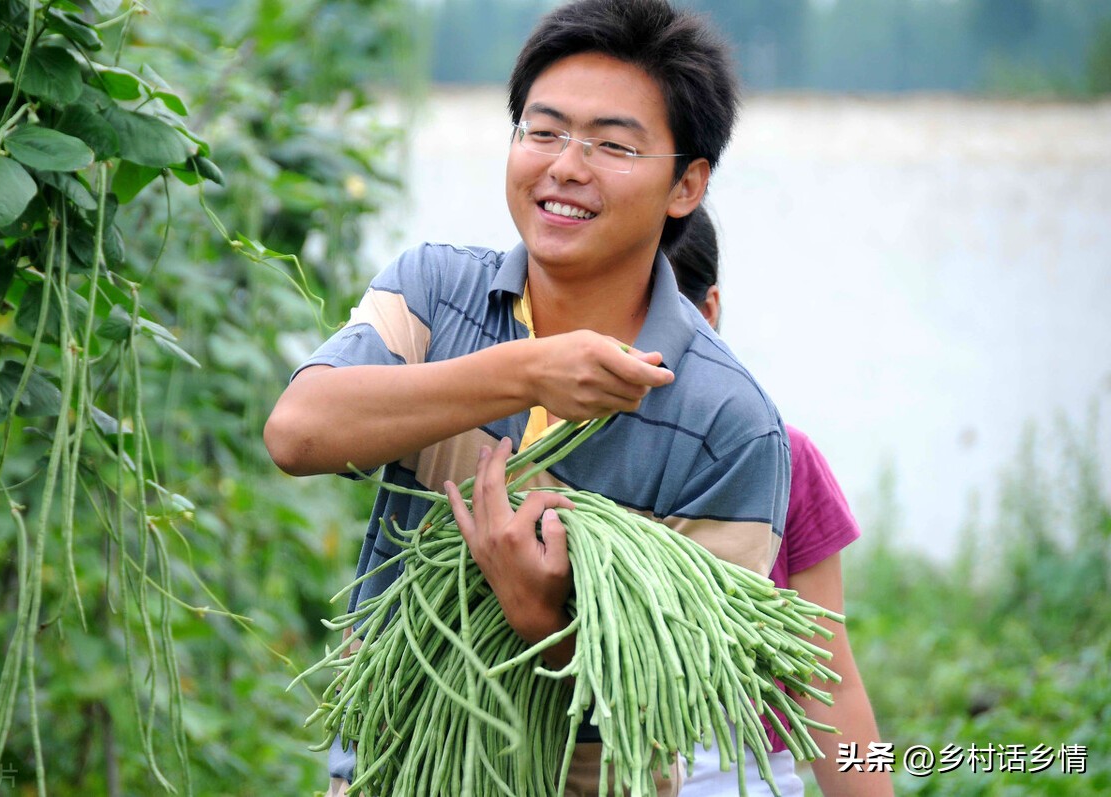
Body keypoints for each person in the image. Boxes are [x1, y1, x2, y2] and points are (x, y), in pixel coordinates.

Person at [264, 1, 790, 793]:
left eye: (614, 145)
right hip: (382, 774)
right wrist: (528, 371)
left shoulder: (731, 424)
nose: (566, 167)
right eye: (543, 132)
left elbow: (686, 697)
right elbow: (297, 433)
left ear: (686, 184)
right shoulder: (433, 293)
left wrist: (544, 620)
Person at [665, 206, 895, 797]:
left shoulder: (783, 461)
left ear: (706, 312)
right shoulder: (539, 470)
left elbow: (829, 683)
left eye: (645, 312)